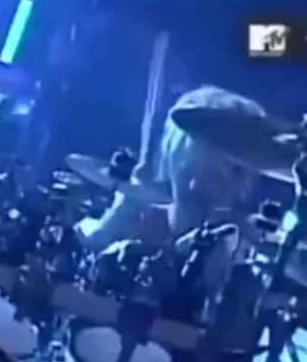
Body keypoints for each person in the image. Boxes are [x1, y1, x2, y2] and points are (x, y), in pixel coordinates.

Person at [80, 84, 266, 253]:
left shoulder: (243, 248)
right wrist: (119, 216)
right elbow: (84, 249)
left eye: (238, 171)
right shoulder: (138, 220)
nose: (242, 187)